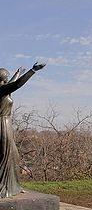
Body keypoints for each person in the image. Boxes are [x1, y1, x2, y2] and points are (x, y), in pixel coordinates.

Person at [0, 62, 45, 198]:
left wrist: (18, 72)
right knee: (5, 155)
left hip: (5, 123)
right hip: (2, 124)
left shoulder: (3, 88)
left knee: (13, 155)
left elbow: (13, 84)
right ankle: (5, 186)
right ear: (4, 77)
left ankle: (13, 186)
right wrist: (32, 71)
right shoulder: (1, 90)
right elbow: (17, 84)